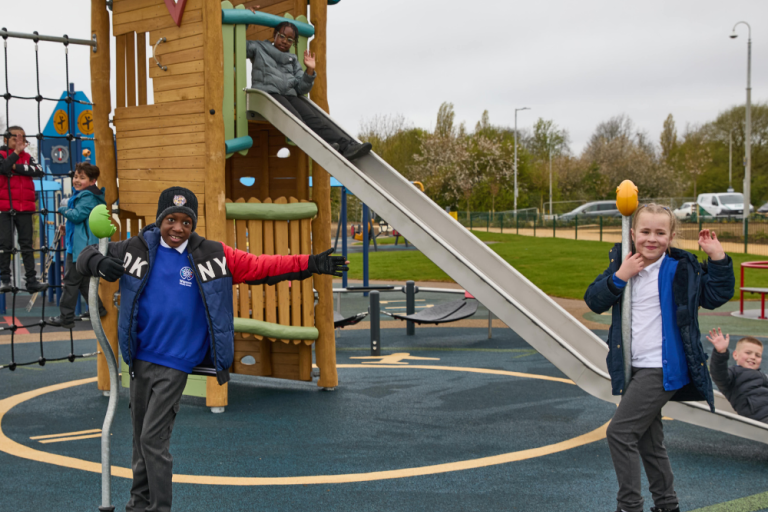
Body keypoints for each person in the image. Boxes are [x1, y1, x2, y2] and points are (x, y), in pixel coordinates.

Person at [77, 186, 348, 512]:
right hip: (140, 358)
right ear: (160, 219)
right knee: (139, 441)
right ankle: (139, 504)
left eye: (186, 222)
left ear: (193, 225)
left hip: (176, 361)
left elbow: (261, 266)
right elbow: (86, 255)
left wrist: (312, 263)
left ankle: (159, 508)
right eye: (171, 220)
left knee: (152, 439)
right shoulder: (136, 248)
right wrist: (97, 262)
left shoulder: (213, 255)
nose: (178, 228)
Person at [584, 203, 734, 512]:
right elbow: (594, 300)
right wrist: (620, 277)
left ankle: (629, 506)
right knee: (648, 443)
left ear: (672, 235)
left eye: (660, 233)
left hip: (662, 368)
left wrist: (717, 257)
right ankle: (668, 505)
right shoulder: (623, 264)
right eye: (646, 231)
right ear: (633, 233)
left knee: (620, 433)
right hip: (633, 368)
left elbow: (716, 295)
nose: (652, 239)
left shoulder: (681, 269)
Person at [245, 7, 372, 161]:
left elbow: (301, 88)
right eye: (282, 36)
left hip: (290, 94)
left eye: (290, 39)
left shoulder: (292, 60)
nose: (285, 41)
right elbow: (239, 44)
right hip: (269, 93)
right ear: (275, 35)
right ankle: (324, 145)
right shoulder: (260, 48)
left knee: (315, 119)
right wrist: (245, 20)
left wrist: (309, 71)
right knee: (297, 118)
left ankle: (347, 147)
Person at [47, 162, 107, 328]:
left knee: (70, 282)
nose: (77, 180)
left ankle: (66, 317)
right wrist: (67, 228)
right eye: (75, 177)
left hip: (81, 248)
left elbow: (78, 215)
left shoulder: (87, 196)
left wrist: (63, 209)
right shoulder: (87, 195)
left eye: (82, 178)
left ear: (93, 180)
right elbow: (84, 221)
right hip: (84, 245)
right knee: (83, 282)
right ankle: (98, 309)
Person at [0, 127, 47, 293]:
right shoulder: (2, 154)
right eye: (15, 138)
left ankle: (31, 280)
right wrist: (14, 157)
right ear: (6, 140)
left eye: (23, 138)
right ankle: (4, 279)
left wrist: (15, 167)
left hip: (26, 207)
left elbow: (39, 170)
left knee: (27, 244)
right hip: (5, 207)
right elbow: (3, 168)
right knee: (5, 243)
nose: (20, 141)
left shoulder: (27, 157)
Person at [706, 329, 767, 423]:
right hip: (759, 415)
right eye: (748, 353)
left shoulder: (761, 376)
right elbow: (719, 375)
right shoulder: (733, 374)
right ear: (735, 355)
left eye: (757, 355)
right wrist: (720, 353)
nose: (753, 357)